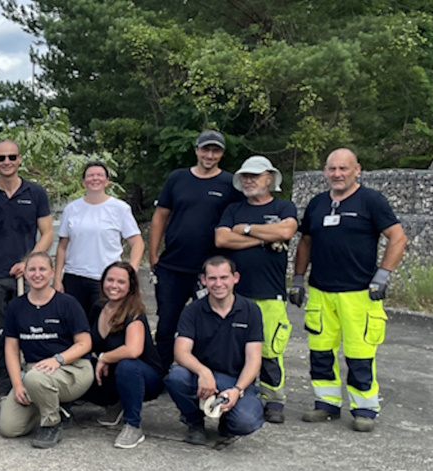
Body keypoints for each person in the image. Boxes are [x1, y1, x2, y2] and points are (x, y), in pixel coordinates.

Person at [290, 148, 407, 433]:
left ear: (357, 170)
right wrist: (297, 278)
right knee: (320, 352)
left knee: (359, 354)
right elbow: (305, 242)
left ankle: (364, 409)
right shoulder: (317, 204)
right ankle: (326, 404)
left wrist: (382, 275)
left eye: (344, 168)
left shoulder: (371, 201)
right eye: (332, 169)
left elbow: (397, 237)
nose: (337, 174)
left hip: (359, 294)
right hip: (320, 292)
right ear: (325, 172)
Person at [0, 140, 54, 414]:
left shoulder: (36, 192)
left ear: (19, 160)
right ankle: (4, 388)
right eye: (1, 157)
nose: (6, 161)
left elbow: (48, 234)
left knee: (32, 329)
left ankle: (35, 384)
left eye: (11, 157)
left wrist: (28, 262)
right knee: (0, 334)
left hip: (28, 277)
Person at [147, 130, 242, 366]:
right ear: (197, 150)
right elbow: (160, 217)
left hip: (211, 268)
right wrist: (153, 255)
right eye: (205, 149)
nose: (210, 155)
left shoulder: (230, 184)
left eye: (216, 150)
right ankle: (162, 372)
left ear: (221, 154)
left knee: (211, 322)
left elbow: (237, 222)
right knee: (168, 322)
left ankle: (205, 373)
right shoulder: (177, 178)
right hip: (173, 265)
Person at [214, 155, 298, 424]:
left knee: (270, 349)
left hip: (270, 292)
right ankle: (241, 392)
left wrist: (247, 229)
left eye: (256, 175)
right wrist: (263, 238)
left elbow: (286, 232)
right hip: (234, 292)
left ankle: (274, 400)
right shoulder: (233, 209)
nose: (250, 180)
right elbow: (222, 238)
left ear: (269, 178)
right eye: (246, 176)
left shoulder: (284, 206)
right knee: (233, 347)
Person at [164, 256, 265, 445]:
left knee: (246, 421)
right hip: (201, 378)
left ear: (235, 278)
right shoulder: (192, 311)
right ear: (203, 280)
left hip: (236, 380)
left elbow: (254, 359)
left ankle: (229, 421)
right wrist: (204, 372)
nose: (218, 284)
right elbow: (181, 352)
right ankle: (194, 422)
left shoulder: (251, 310)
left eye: (224, 277)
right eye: (212, 278)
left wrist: (237, 390)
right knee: (176, 377)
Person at [0, 252, 93, 449]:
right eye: (32, 269)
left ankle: (52, 424)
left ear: (51, 273)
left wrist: (57, 359)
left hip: (72, 369)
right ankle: (54, 407)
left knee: (35, 378)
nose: (37, 274)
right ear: (25, 273)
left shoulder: (67, 303)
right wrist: (17, 385)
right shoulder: (16, 306)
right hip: (35, 373)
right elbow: (11, 349)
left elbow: (85, 343)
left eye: (42, 269)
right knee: (9, 428)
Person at [79, 262, 166, 449]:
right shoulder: (98, 307)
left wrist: (104, 358)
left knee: (127, 365)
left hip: (145, 378)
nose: (114, 286)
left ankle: (133, 425)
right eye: (110, 280)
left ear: (130, 287)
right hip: (114, 374)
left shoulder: (135, 313)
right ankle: (116, 404)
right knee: (81, 366)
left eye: (121, 282)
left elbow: (133, 350)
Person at [55, 160, 144, 315]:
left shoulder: (120, 208)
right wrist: (56, 278)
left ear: (107, 181)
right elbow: (62, 246)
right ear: (83, 182)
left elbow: (137, 243)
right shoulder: (71, 209)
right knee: (74, 326)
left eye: (99, 175)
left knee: (102, 328)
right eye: (90, 175)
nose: (95, 178)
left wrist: (130, 272)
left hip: (105, 278)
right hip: (74, 277)